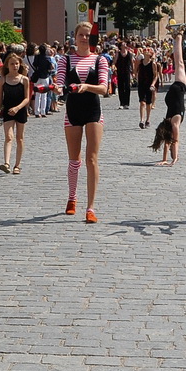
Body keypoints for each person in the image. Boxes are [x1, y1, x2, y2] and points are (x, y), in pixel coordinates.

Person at [57, 22, 110, 223]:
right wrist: (57, 88)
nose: (85, 38)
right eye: (81, 34)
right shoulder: (65, 59)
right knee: (74, 159)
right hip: (73, 111)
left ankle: (91, 207)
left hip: (93, 111)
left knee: (92, 159)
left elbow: (104, 88)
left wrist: (85, 86)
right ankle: (72, 198)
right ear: (75, 36)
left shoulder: (100, 60)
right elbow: (61, 83)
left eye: (88, 35)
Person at [152, 30, 186, 166]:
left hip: (175, 89)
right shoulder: (174, 123)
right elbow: (175, 141)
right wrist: (173, 159)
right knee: (178, 62)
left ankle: (177, 37)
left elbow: (169, 141)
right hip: (178, 88)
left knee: (178, 62)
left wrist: (165, 159)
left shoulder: (170, 121)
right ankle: (178, 37)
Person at [0, 51, 32, 174]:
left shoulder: (24, 80)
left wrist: (18, 108)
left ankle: (17, 165)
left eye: (16, 63)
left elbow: (27, 98)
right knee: (8, 137)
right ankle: (6, 163)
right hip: (7, 111)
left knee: (20, 138)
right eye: (12, 64)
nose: (15, 66)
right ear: (7, 65)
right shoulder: (3, 80)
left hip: (20, 110)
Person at [135, 44, 157, 129]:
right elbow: (135, 71)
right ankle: (141, 120)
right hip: (141, 84)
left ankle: (148, 119)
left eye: (148, 50)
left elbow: (155, 75)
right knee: (142, 102)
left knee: (148, 103)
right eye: (145, 50)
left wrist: (153, 84)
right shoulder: (140, 62)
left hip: (149, 85)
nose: (145, 51)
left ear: (150, 53)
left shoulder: (153, 64)